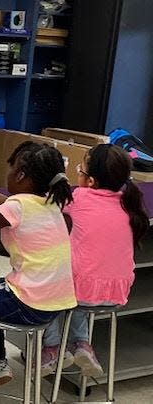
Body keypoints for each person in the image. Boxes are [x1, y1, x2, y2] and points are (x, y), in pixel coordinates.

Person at [0, 141, 77, 403]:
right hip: (53, 304)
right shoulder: (49, 203)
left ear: (20, 175)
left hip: (28, 303)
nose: (7, 174)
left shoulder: (18, 206)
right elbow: (11, 204)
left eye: (11, 169)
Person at [41, 144, 149, 377]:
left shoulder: (79, 197)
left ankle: (52, 347)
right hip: (118, 292)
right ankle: (82, 343)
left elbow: (47, 203)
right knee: (81, 288)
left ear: (90, 180)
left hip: (80, 292)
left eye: (81, 168)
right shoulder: (128, 202)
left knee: (52, 288)